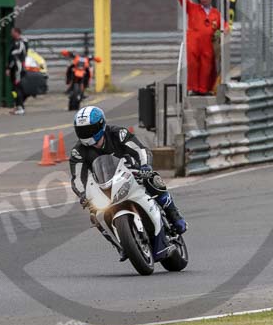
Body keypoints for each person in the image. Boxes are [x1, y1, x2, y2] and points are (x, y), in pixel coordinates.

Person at [69, 106, 187, 258]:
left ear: (101, 125)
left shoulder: (118, 133)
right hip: (104, 184)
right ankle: (120, 245)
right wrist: (83, 194)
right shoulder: (78, 151)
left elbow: (140, 150)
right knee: (94, 213)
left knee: (152, 179)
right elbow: (77, 177)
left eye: (89, 129)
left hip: (131, 172)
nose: (86, 134)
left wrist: (145, 166)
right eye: (82, 130)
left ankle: (174, 216)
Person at [177, 0, 229, 95]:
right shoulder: (193, 8)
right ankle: (193, 89)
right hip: (194, 42)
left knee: (207, 66)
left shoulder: (215, 13)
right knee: (193, 65)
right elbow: (182, 0)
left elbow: (223, 24)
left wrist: (225, 29)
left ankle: (203, 89)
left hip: (207, 43)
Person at [6, 26, 27, 115]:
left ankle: (20, 107)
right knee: (14, 89)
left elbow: (15, 57)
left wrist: (8, 68)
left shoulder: (20, 43)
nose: (11, 33)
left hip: (17, 68)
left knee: (17, 88)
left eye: (12, 32)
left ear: (17, 33)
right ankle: (17, 105)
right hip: (15, 68)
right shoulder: (16, 42)